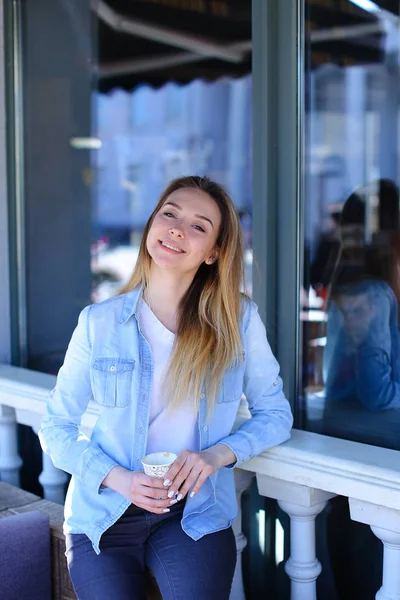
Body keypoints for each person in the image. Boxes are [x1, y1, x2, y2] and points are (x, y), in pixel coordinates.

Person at [39, 175, 293, 600]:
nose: (177, 228)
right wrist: (119, 478)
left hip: (191, 515)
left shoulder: (238, 322)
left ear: (214, 252)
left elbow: (276, 414)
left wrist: (217, 454)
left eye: (199, 225)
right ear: (152, 225)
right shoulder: (99, 323)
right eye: (169, 214)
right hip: (105, 513)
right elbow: (55, 426)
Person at [322, 178, 400, 448]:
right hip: (371, 442)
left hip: (348, 436)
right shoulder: (374, 296)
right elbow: (376, 395)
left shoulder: (355, 287)